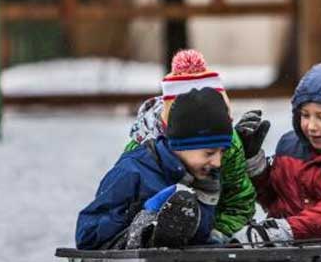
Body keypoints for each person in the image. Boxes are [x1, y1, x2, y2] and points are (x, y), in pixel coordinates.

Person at [76, 87, 233, 250]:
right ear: (180, 145)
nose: (217, 162)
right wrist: (139, 214)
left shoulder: (205, 179)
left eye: (222, 152)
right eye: (209, 153)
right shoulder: (133, 171)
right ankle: (147, 233)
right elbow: (88, 236)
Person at [126, 49, 256, 241]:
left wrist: (218, 233)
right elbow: (121, 205)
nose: (217, 160)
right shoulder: (141, 148)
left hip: (212, 231)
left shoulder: (228, 146)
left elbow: (239, 200)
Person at [231, 61, 321, 244]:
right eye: (304, 115)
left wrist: (280, 232)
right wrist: (253, 163)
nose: (311, 126)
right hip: (282, 253)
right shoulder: (289, 146)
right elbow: (272, 196)